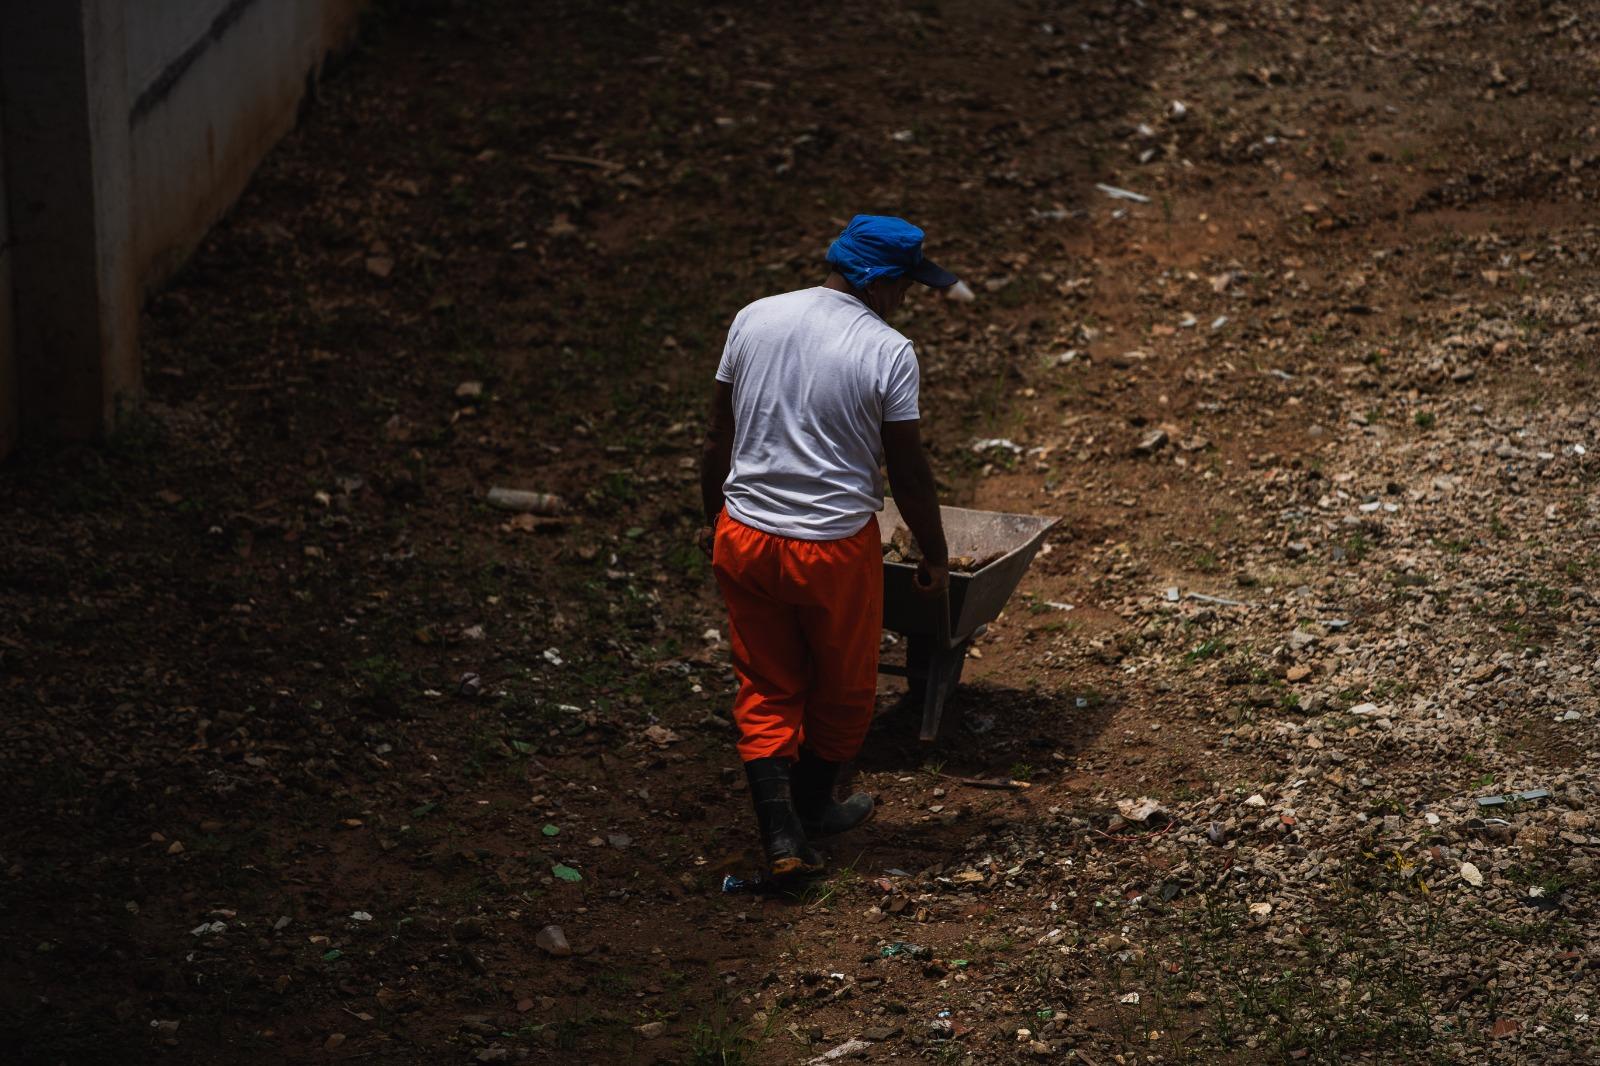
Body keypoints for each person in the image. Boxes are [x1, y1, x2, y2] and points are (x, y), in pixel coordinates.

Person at [699, 215, 954, 879]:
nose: (905, 299)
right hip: (831, 549)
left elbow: (718, 434)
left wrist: (712, 518)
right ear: (882, 280)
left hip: (745, 536)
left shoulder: (754, 316)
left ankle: (781, 836)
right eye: (906, 285)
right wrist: (933, 554)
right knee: (844, 687)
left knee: (765, 682)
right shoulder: (887, 350)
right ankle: (811, 809)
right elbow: (908, 472)